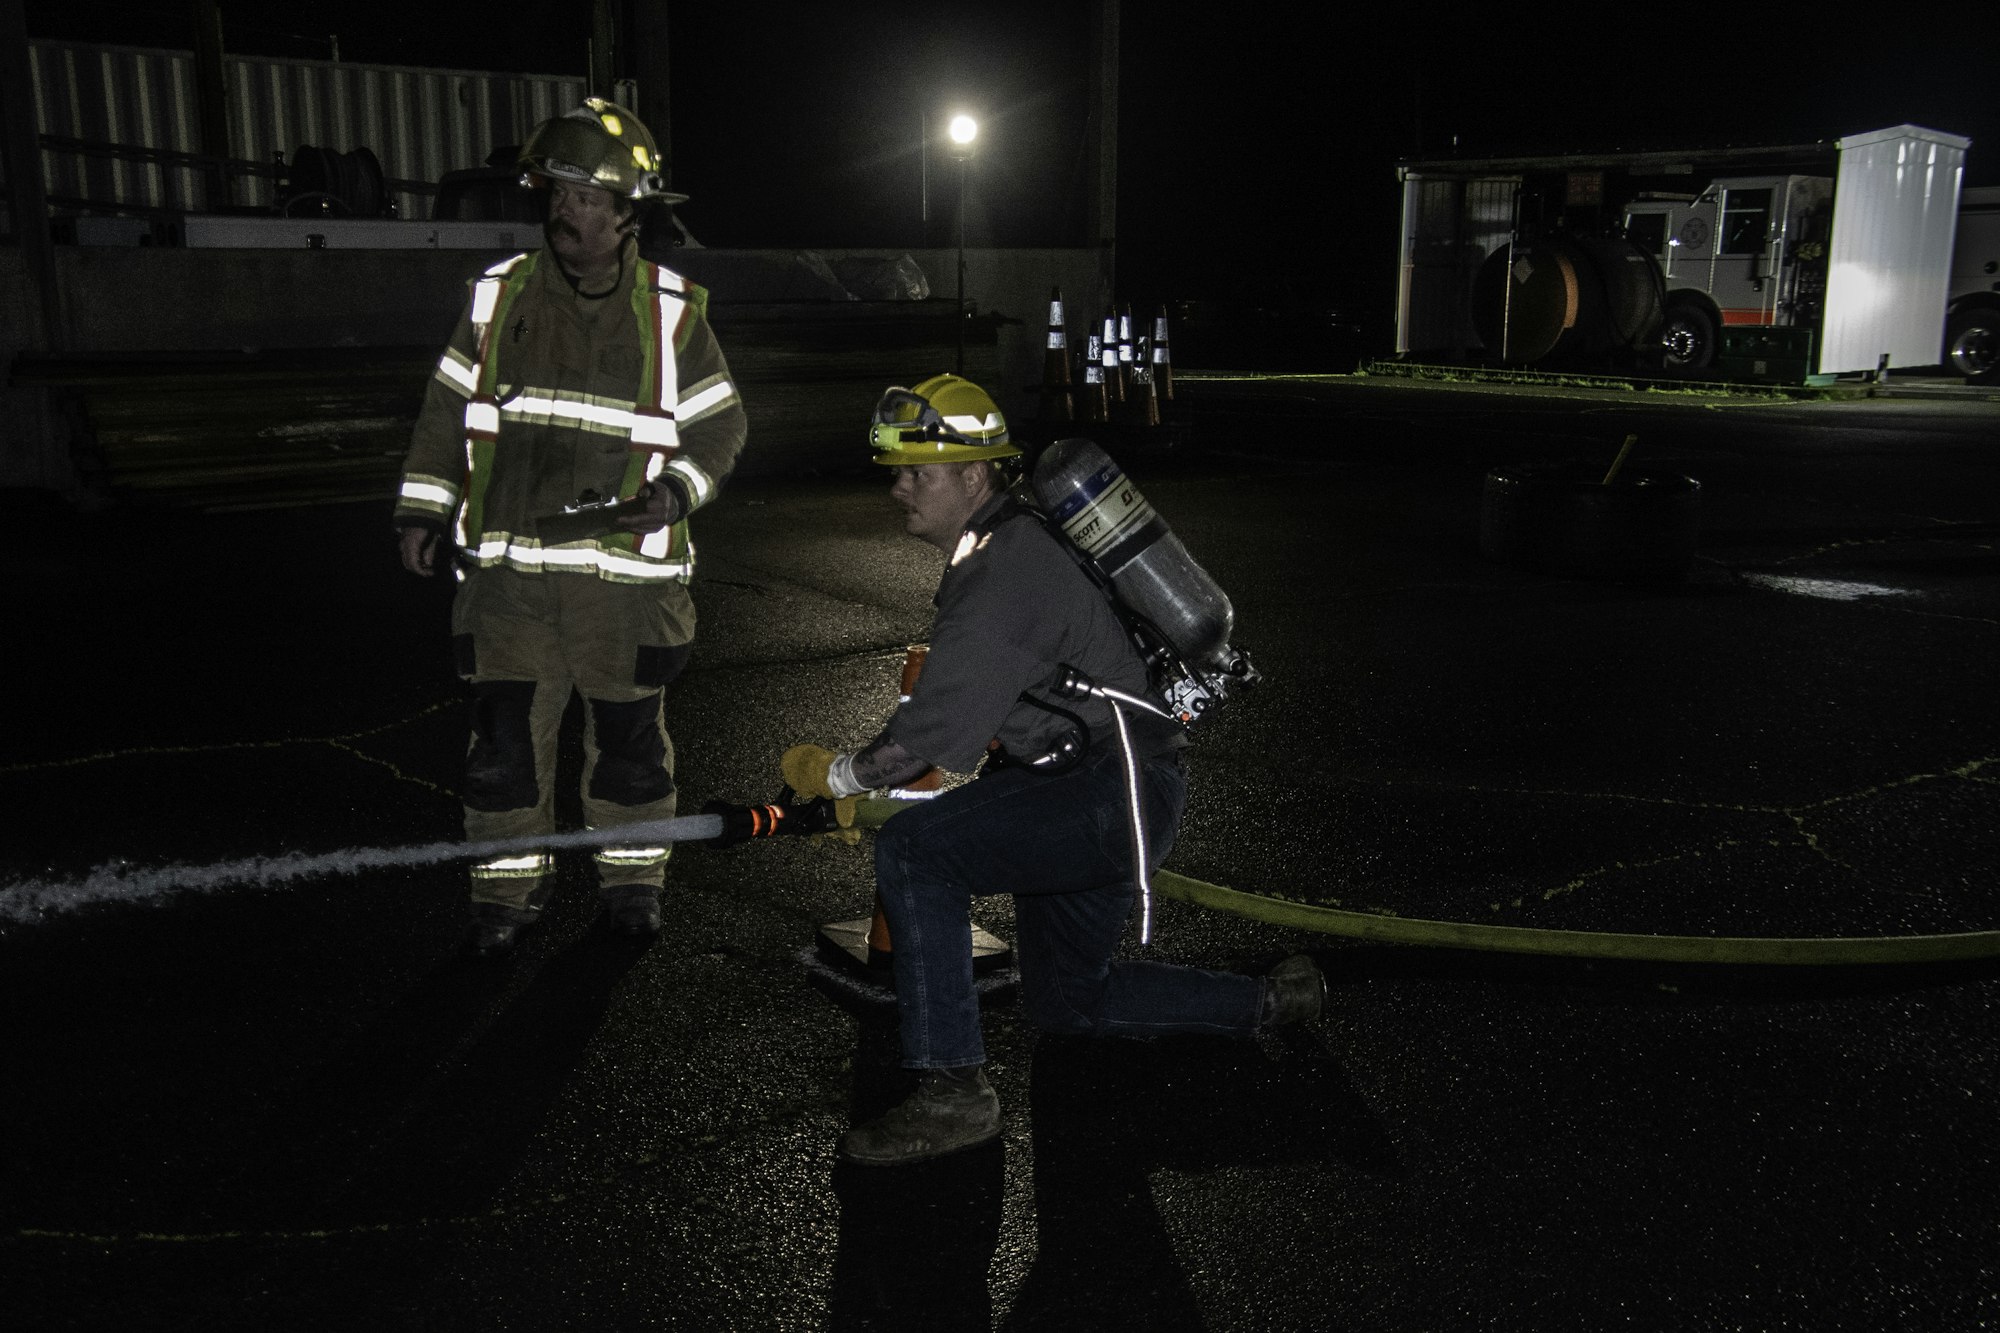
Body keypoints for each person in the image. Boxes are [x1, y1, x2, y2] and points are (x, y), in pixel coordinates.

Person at [781, 373, 1323, 1166]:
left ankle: (954, 1093)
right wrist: (860, 790)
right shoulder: (1009, 541)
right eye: (894, 469)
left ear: (973, 475)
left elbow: (922, 741)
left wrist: (833, 780)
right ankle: (1271, 1003)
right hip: (1109, 781)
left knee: (917, 852)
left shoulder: (1004, 574)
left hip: (1106, 793)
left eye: (916, 471)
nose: (897, 487)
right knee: (1069, 999)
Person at [393, 99, 746, 956]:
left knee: (628, 749)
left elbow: (721, 427)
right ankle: (505, 891)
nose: (565, 210)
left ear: (630, 212)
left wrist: (678, 490)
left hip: (625, 591)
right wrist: (422, 507)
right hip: (509, 583)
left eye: (586, 196)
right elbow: (445, 415)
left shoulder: (672, 314)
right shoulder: (497, 298)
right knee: (502, 747)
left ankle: (631, 882)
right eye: (556, 192)